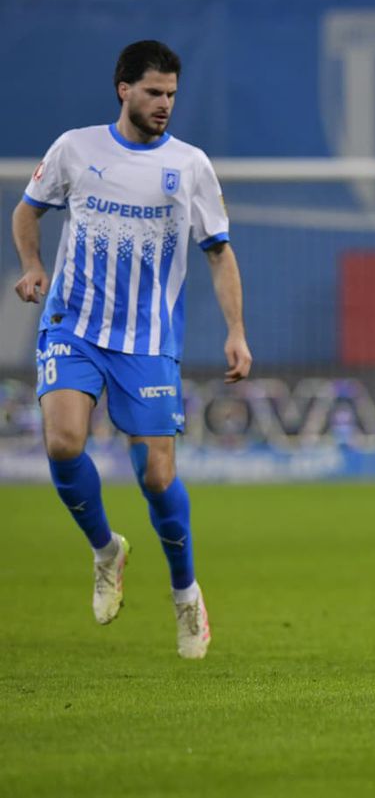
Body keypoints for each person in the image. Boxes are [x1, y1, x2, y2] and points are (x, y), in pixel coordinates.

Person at [11, 40, 252, 659]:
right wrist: (33, 265)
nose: (164, 103)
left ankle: (185, 591)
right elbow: (26, 212)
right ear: (124, 90)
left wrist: (235, 331)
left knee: (157, 475)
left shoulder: (190, 165)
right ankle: (106, 550)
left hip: (146, 340)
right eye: (153, 92)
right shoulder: (76, 148)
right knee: (64, 442)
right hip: (72, 324)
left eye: (171, 94)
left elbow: (218, 252)